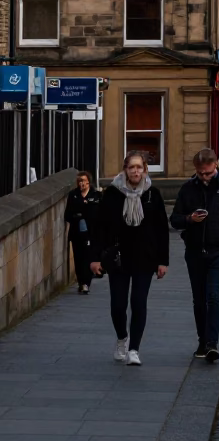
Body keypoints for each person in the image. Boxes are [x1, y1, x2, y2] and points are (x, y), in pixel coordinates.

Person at [171, 147, 219, 363]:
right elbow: (175, 219)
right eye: (200, 173)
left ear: (215, 165)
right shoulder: (188, 189)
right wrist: (189, 219)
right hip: (195, 252)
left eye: (207, 173)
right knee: (199, 300)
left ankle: (212, 344)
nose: (204, 177)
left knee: (214, 297)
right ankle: (202, 341)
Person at [89, 152, 169, 366]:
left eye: (139, 167)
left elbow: (162, 229)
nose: (135, 171)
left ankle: (134, 349)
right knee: (118, 305)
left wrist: (163, 261)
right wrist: (95, 258)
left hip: (145, 258)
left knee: (138, 302)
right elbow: (99, 227)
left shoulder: (152, 194)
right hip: (119, 258)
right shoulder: (112, 193)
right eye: (131, 167)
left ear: (145, 170)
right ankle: (122, 338)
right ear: (125, 169)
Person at [64, 170, 100, 294]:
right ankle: (81, 282)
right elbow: (67, 215)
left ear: (89, 181)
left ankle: (86, 283)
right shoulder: (73, 195)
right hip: (77, 232)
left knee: (88, 257)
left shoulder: (96, 195)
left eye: (83, 181)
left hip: (91, 233)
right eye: (79, 181)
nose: (81, 183)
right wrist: (77, 216)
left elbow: (100, 214)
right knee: (78, 258)